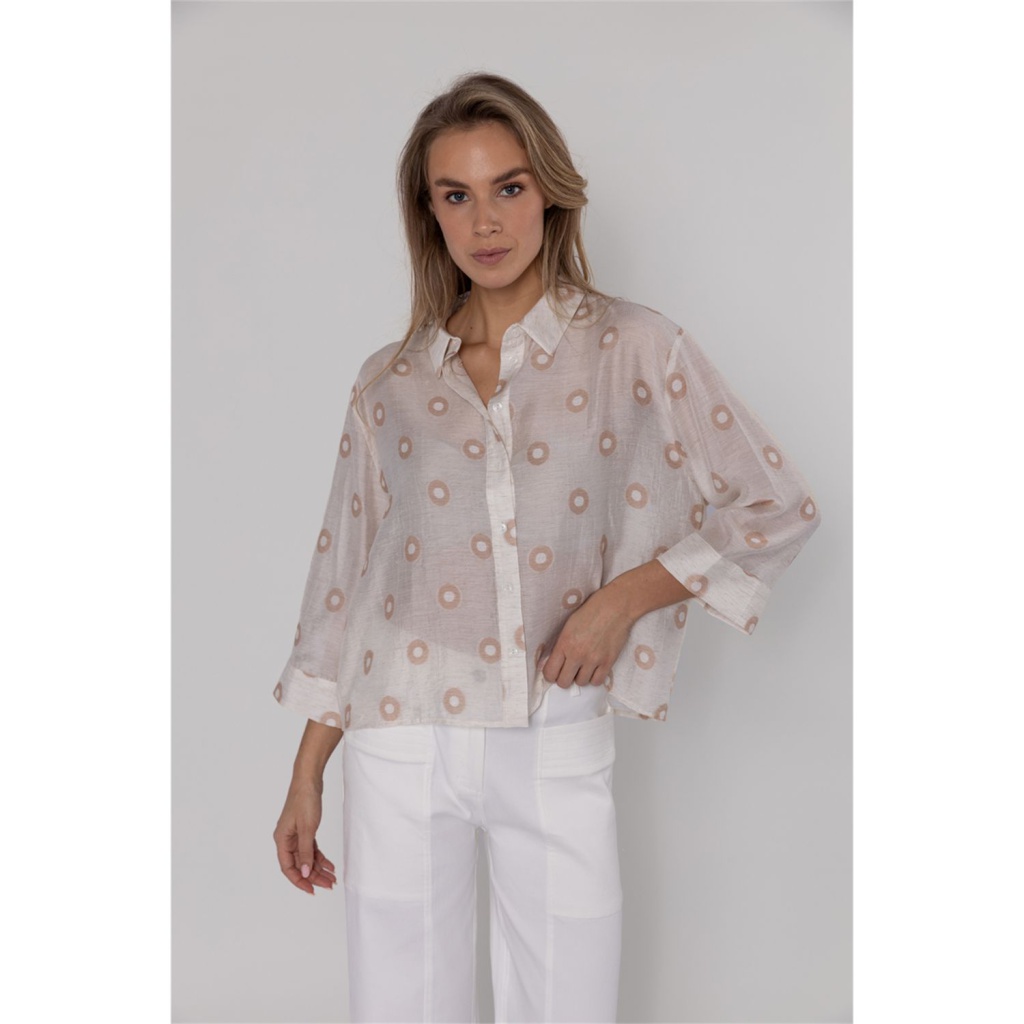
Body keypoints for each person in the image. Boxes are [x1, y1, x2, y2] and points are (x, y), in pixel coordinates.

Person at [271, 71, 821, 1023]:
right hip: (399, 729)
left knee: (570, 999)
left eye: (509, 187)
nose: (485, 221)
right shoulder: (388, 383)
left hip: (552, 719)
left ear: (551, 193)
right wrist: (306, 772)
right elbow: (344, 583)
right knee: (400, 1006)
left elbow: (776, 502)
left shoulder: (635, 347)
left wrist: (621, 601)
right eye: (456, 195)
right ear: (429, 213)